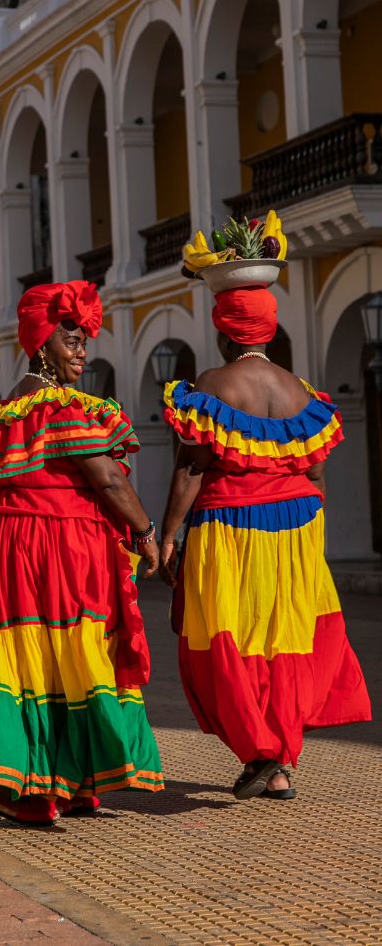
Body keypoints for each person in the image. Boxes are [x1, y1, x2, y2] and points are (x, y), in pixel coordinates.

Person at [0, 280, 164, 825]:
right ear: (43, 343)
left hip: (5, 545)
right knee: (66, 654)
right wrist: (145, 532)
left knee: (25, 660)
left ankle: (42, 785)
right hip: (57, 545)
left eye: (84, 342)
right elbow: (108, 478)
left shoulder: (8, 405)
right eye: (71, 340)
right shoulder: (61, 407)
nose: (81, 352)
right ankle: (52, 787)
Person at [159, 283, 371, 800]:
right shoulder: (302, 393)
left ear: (223, 332)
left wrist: (167, 536)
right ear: (268, 330)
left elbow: (191, 467)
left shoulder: (214, 384)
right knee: (284, 638)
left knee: (228, 637)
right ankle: (278, 762)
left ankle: (261, 752)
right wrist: (310, 543)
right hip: (296, 529)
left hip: (231, 528)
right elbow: (317, 473)